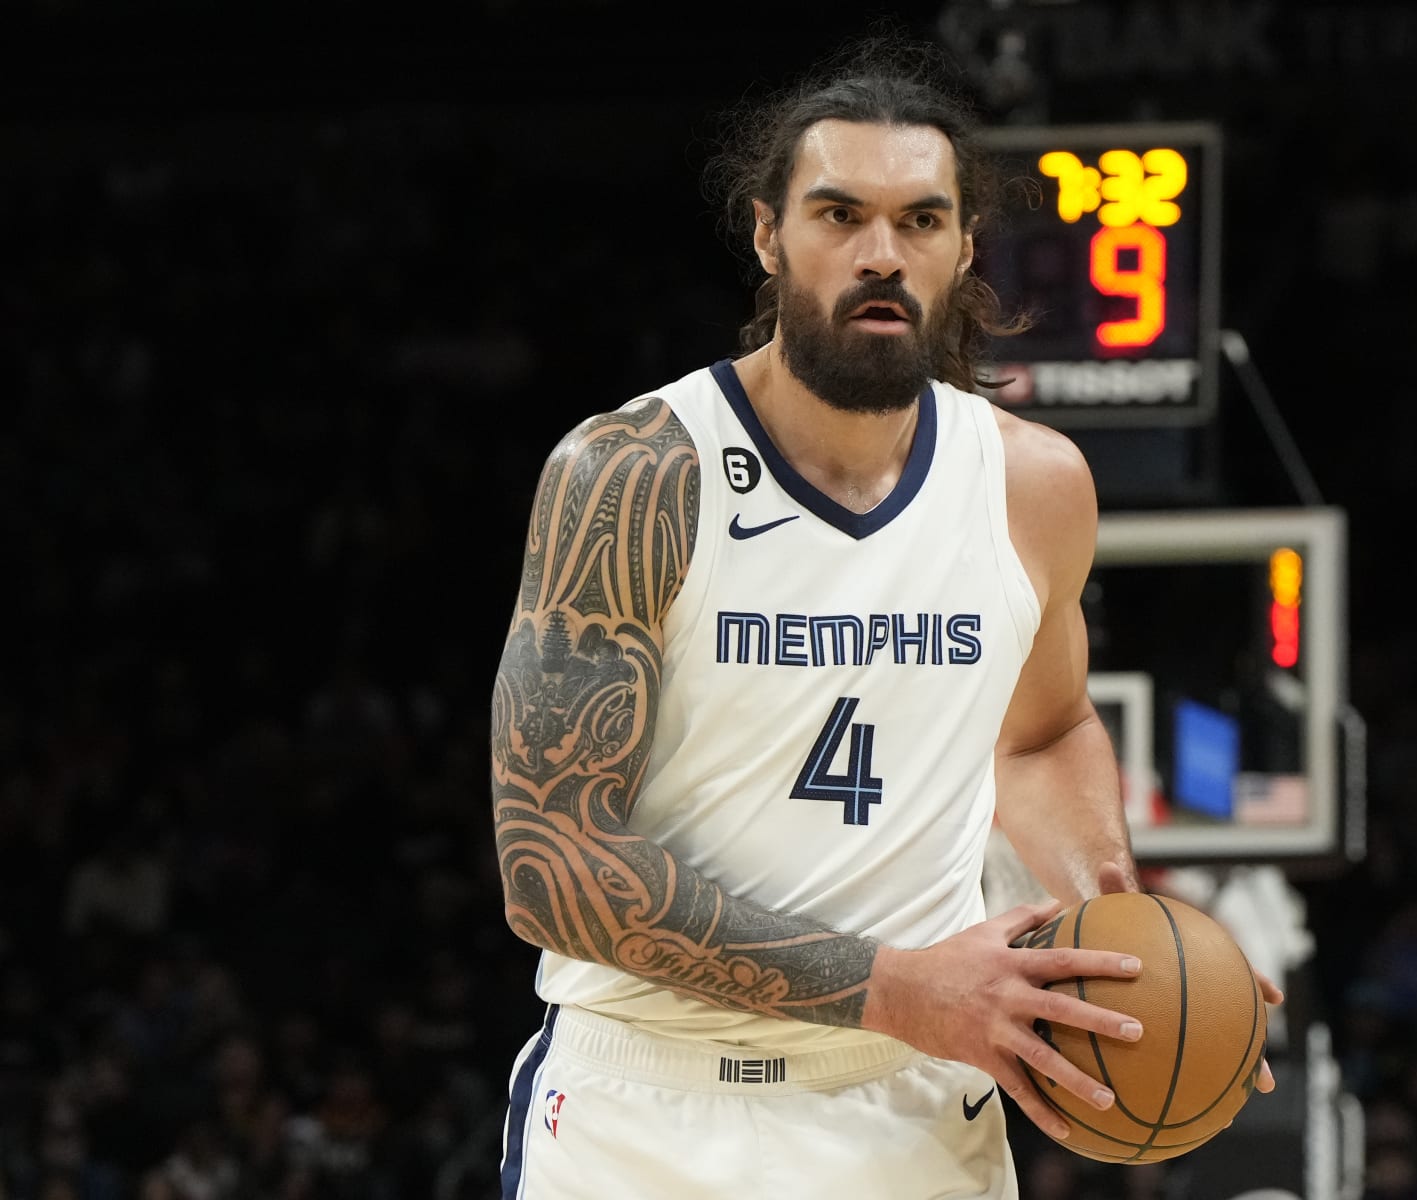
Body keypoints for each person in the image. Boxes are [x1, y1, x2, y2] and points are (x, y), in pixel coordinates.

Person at [486, 34, 1281, 1199]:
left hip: (918, 1104)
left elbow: (1043, 733)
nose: (879, 254)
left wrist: (1122, 941)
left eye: (919, 221)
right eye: (838, 213)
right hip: (643, 1116)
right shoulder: (637, 475)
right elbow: (551, 865)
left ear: (964, 247)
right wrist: (893, 986)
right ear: (769, 234)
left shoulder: (1031, 484)